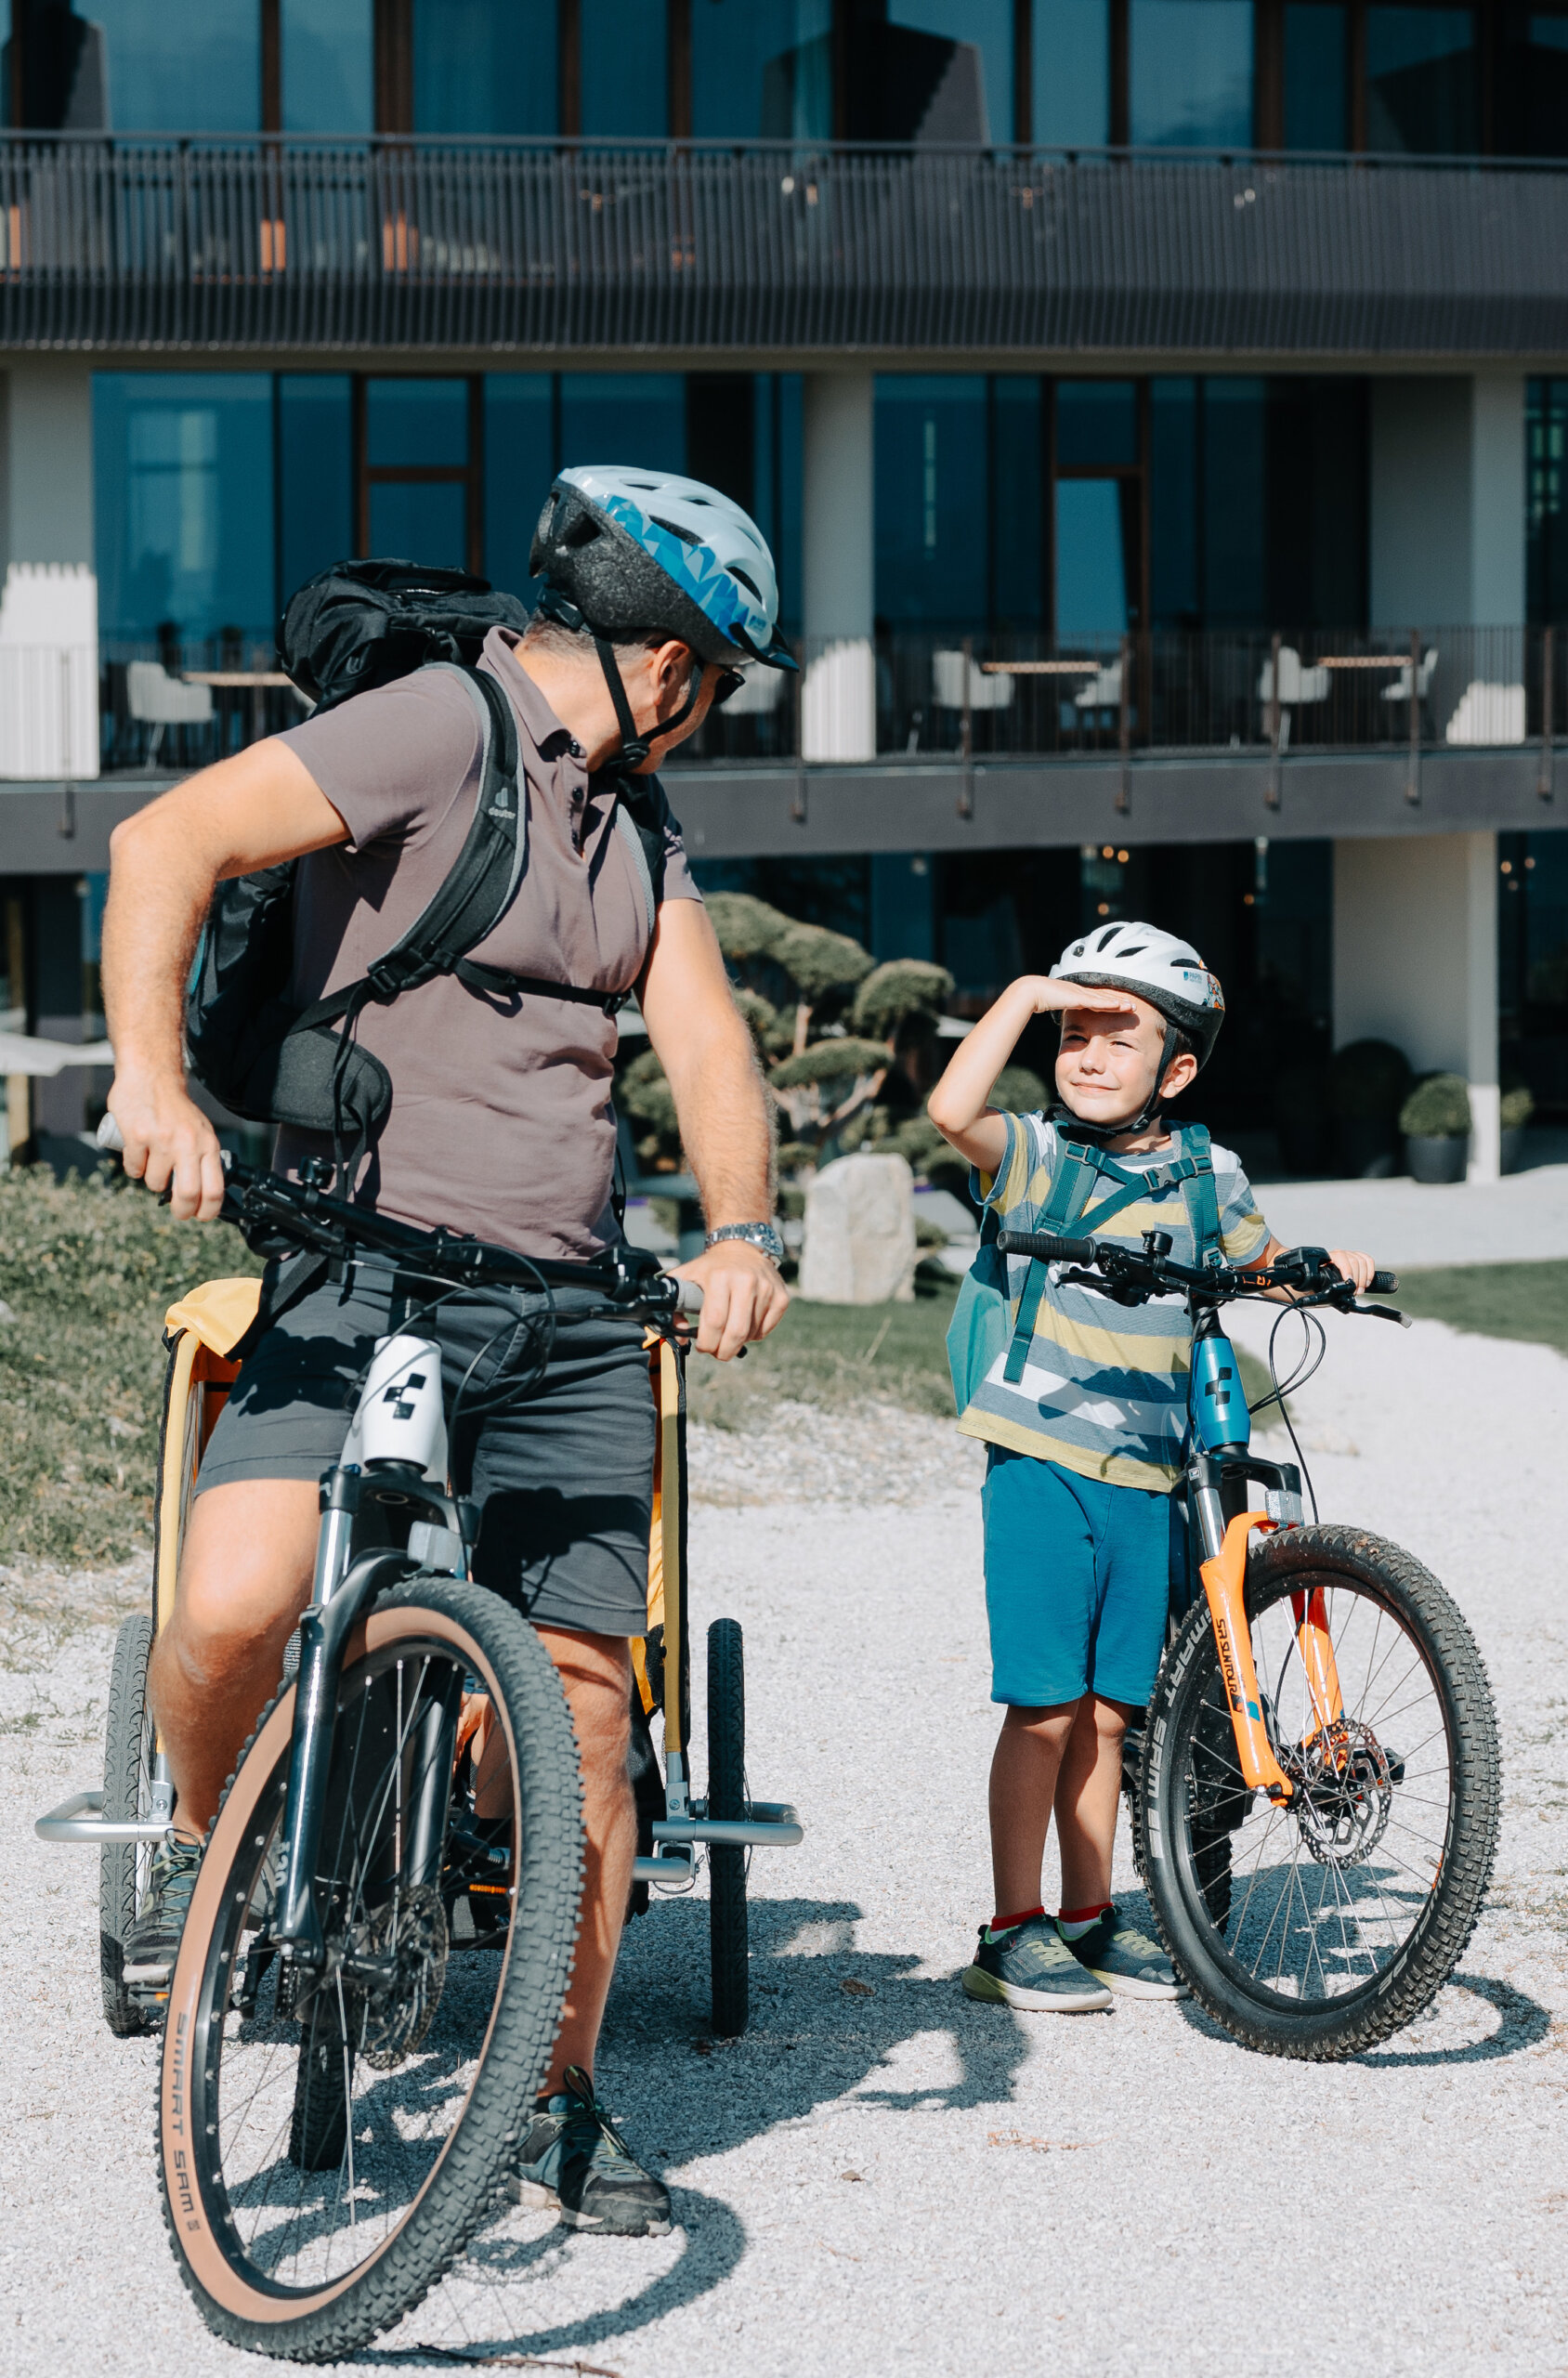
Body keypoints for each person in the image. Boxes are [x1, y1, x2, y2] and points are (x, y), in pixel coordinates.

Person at [101, 466, 794, 2232]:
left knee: (582, 1718)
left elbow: (706, 1041)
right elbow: (163, 843)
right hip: (362, 1273)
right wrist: (152, 1084)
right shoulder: (437, 725)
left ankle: (559, 2093)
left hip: (565, 1312)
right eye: (718, 681)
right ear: (668, 662)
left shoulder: (641, 827)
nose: (711, 713)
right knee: (234, 1609)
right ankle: (211, 1851)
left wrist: (739, 1229)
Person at [926, 923, 1376, 2013]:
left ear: (1172, 1072)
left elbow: (1257, 1264)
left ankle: (1087, 1914)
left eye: (1113, 1039)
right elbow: (949, 1111)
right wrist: (1024, 995)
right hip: (1042, 1461)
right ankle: (1010, 1928)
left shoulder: (1210, 1174)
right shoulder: (1035, 1156)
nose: (1085, 1057)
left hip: (1145, 1472)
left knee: (1108, 1714)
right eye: (1070, 1036)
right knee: (1045, 1705)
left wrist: (1323, 1267)